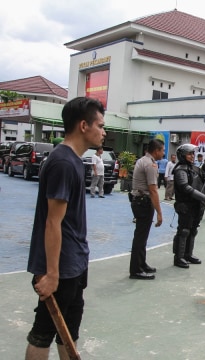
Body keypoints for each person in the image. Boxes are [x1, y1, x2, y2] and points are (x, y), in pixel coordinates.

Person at [25, 97, 106, 359]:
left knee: (68, 330)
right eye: (100, 125)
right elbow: (52, 221)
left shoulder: (73, 161)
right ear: (84, 125)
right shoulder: (62, 163)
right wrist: (51, 273)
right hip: (61, 264)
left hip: (74, 261)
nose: (104, 132)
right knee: (44, 332)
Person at [172, 144, 205, 268]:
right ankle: (179, 257)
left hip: (196, 204)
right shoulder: (180, 170)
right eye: (189, 154)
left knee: (193, 230)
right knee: (184, 231)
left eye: (192, 153)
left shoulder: (194, 168)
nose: (192, 156)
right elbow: (185, 187)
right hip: (185, 204)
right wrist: (204, 197)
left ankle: (188, 254)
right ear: (183, 155)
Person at [128, 139, 165, 280]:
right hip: (143, 202)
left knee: (142, 236)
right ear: (156, 151)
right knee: (140, 237)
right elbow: (153, 190)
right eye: (162, 150)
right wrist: (159, 213)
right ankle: (136, 269)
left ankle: (141, 263)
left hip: (139, 201)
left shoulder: (143, 160)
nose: (163, 152)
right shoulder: (150, 165)